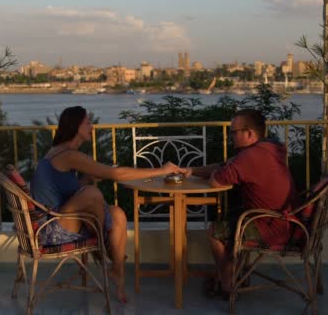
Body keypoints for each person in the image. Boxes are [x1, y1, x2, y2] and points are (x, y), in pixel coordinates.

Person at [30, 106, 187, 303]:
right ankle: (105, 248)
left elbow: (64, 192)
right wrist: (160, 171)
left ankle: (116, 274)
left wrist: (86, 179)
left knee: (119, 214)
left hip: (62, 220)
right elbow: (117, 175)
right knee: (93, 194)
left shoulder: (59, 152)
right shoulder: (69, 155)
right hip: (50, 231)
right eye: (88, 123)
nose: (92, 127)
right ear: (76, 126)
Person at [182, 109, 298, 296]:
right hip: (287, 220)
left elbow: (216, 180)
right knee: (230, 218)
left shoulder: (250, 157)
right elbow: (224, 166)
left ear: (249, 133)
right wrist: (191, 170)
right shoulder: (268, 148)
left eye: (234, 132)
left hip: (271, 227)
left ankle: (227, 284)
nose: (230, 136)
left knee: (215, 231)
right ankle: (231, 273)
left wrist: (217, 172)